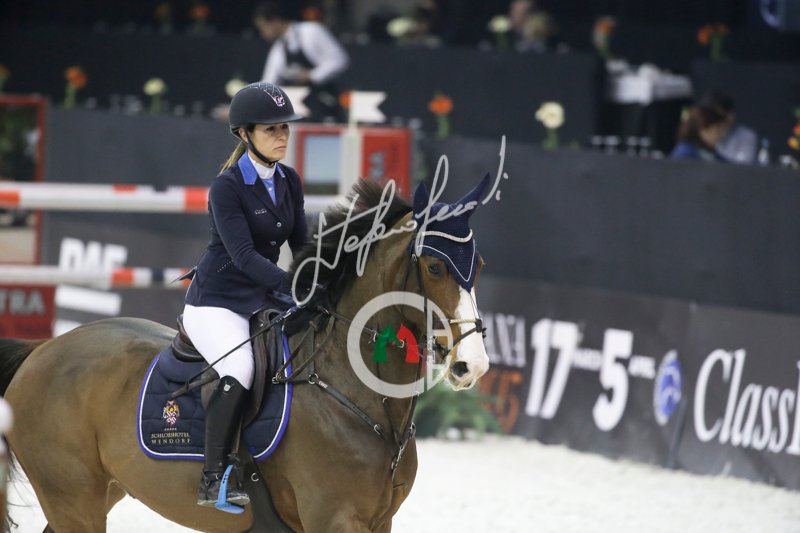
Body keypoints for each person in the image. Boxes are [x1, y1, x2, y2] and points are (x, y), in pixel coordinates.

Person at [183, 82, 308, 508]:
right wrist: (289, 285)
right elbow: (243, 256)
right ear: (244, 133)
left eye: (285, 127)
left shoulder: (289, 180)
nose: (282, 136)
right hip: (217, 302)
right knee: (240, 367)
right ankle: (213, 475)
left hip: (263, 297)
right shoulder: (227, 187)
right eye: (271, 129)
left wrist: (321, 277)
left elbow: (302, 244)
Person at [254, 2, 349, 122]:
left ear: (275, 22)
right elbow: (269, 82)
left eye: (263, 27)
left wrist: (312, 75)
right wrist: (248, 100)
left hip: (325, 100)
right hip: (301, 109)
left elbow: (339, 59)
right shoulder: (279, 48)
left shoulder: (312, 31)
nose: (262, 33)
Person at [700, 90, 759, 164]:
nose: (716, 121)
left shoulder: (746, 136)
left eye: (720, 116)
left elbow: (741, 167)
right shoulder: (700, 134)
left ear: (731, 116)